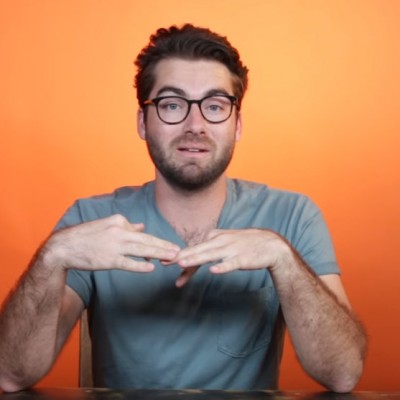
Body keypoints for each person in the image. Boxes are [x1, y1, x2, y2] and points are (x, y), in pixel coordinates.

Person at [0, 24, 366, 393]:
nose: (195, 126)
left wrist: (283, 259)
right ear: (143, 123)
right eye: (172, 105)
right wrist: (52, 257)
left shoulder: (293, 216)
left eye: (215, 106)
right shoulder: (90, 220)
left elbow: (342, 374)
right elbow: (11, 375)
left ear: (237, 124)